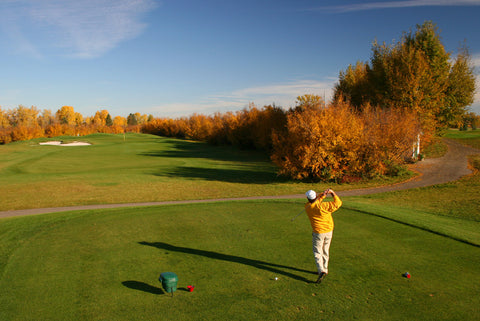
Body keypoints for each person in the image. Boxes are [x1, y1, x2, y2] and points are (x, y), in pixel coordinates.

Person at [304, 188, 342, 283]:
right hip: (329, 231)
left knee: (317, 252)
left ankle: (321, 270)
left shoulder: (307, 206)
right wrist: (332, 193)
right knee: (325, 250)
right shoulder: (325, 206)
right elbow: (338, 203)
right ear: (316, 197)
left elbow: (316, 201)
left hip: (318, 233)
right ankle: (325, 269)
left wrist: (323, 194)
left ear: (308, 199)